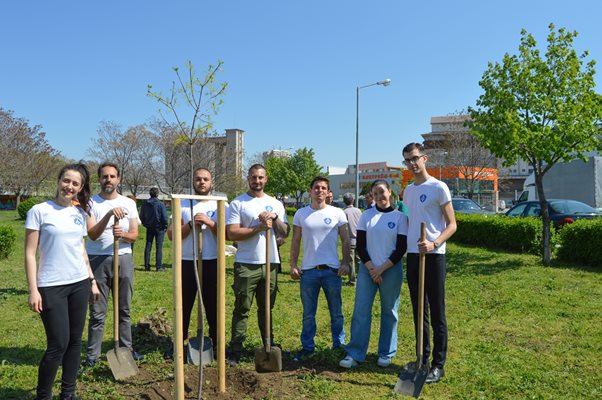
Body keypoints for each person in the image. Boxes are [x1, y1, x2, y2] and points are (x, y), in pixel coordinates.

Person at [25, 163, 100, 400]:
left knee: (75, 341)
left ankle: (68, 394)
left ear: (81, 188)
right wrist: (33, 290)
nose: (69, 186)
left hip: (79, 282)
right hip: (51, 285)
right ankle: (43, 396)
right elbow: (29, 253)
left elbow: (82, 250)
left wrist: (92, 281)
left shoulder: (80, 213)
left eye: (75, 183)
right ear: (59, 180)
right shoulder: (39, 210)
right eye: (66, 181)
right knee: (58, 344)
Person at [402, 142, 457, 384]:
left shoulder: (438, 187)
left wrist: (434, 243)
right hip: (413, 255)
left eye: (415, 158)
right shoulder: (408, 190)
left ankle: (438, 364)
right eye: (407, 160)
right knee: (418, 310)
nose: (412, 163)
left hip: (433, 256)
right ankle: (421, 359)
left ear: (424, 158)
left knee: (436, 311)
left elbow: (452, 224)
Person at [339, 180, 408, 369]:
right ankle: (355, 352)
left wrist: (381, 269)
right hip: (367, 269)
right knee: (361, 310)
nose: (379, 197)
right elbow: (360, 245)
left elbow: (401, 248)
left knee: (389, 311)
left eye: (381, 192)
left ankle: (386, 352)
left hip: (390, 270)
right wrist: (371, 269)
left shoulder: (400, 218)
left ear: (390, 192)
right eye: (375, 194)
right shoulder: (366, 216)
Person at [226, 164, 289, 366]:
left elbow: (285, 232)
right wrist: (258, 227)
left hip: (270, 263)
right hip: (246, 263)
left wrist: (275, 218)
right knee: (242, 308)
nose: (257, 181)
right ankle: (236, 349)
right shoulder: (238, 203)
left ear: (266, 179)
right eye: (254, 177)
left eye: (261, 177)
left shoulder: (275, 203)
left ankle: (268, 345)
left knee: (267, 308)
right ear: (248, 178)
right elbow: (232, 233)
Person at [83, 162, 143, 367]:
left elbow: (135, 234)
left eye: (112, 176)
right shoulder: (91, 203)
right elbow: (91, 234)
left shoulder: (129, 203)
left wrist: (123, 235)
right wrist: (108, 215)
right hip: (97, 259)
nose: (108, 180)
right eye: (104, 176)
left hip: (123, 258)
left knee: (124, 309)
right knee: (97, 311)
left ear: (118, 179)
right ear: (99, 179)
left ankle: (126, 349)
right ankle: (92, 356)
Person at [290, 176, 350, 362]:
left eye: (323, 188)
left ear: (328, 192)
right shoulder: (301, 214)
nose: (320, 191)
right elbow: (296, 241)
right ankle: (308, 347)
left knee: (336, 313)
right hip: (308, 272)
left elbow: (346, 240)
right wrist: (293, 264)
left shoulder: (338, 213)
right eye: (316, 187)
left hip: (332, 271)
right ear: (310, 190)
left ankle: (338, 346)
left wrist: (346, 262)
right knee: (308, 314)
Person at [166, 168, 224, 358]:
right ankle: (179, 345)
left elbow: (227, 235)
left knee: (213, 306)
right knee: (183, 305)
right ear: (193, 181)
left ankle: (217, 345)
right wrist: (190, 225)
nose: (201, 182)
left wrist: (209, 222)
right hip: (186, 261)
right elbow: (172, 235)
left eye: (205, 179)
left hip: (212, 260)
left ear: (211, 182)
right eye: (198, 179)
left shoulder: (220, 205)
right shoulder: (182, 204)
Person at [140, 187, 168, 271]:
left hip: (149, 227)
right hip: (159, 228)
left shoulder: (145, 204)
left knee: (148, 245)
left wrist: (145, 224)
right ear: (157, 194)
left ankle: (146, 265)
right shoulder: (160, 204)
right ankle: (158, 266)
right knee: (159, 247)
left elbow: (141, 216)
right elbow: (164, 217)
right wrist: (165, 226)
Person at [342, 192, 362, 286]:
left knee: (351, 261)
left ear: (344, 201)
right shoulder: (358, 211)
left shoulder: (344, 212)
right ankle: (361, 277)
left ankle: (352, 280)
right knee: (359, 260)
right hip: (360, 239)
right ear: (353, 200)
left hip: (350, 240)